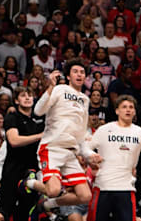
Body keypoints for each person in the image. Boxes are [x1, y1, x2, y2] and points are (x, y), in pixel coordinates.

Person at [27, 61, 98, 220]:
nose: (79, 74)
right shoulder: (59, 90)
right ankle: (29, 183)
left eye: (82, 72)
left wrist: (89, 154)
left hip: (70, 153)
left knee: (85, 195)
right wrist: (51, 87)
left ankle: (47, 206)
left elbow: (80, 134)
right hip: (52, 148)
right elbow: (38, 111)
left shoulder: (85, 100)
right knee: (52, 190)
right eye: (75, 71)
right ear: (68, 76)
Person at [4, 87, 44, 221]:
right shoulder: (12, 117)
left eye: (30, 95)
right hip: (13, 170)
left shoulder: (39, 119)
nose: (27, 98)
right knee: (8, 210)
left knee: (28, 210)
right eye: (23, 95)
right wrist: (40, 136)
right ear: (16, 100)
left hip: (32, 170)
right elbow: (14, 141)